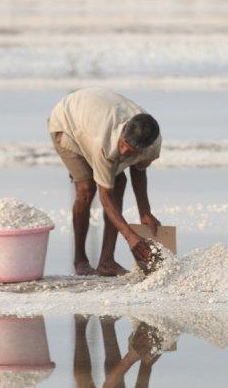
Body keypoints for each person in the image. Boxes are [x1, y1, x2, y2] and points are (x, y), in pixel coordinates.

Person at [48, 88, 163, 276]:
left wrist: (145, 212)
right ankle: (80, 260)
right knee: (86, 188)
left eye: (131, 151)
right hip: (67, 121)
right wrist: (130, 237)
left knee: (119, 182)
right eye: (123, 145)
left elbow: (139, 168)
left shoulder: (152, 146)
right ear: (123, 130)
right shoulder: (103, 142)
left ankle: (106, 261)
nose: (124, 152)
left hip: (93, 113)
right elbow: (105, 196)